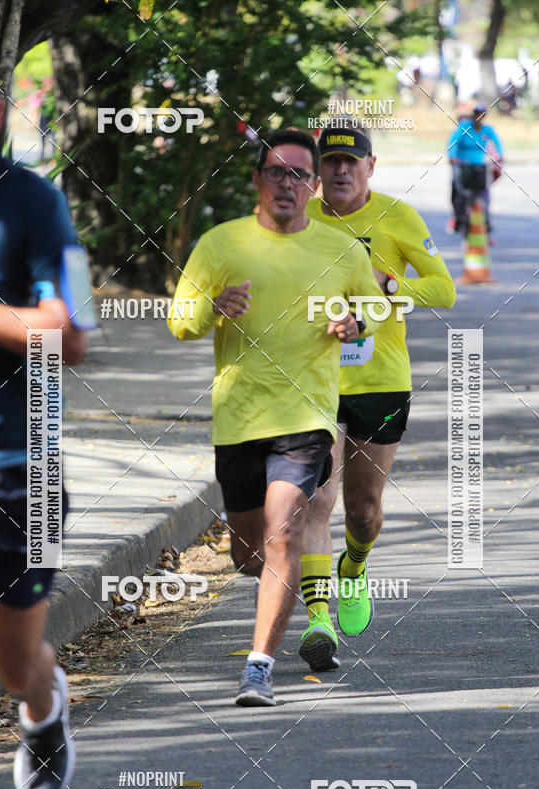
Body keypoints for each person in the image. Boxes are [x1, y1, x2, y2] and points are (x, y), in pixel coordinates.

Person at [168, 129, 386, 705]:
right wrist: (213, 309)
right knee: (252, 553)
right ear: (258, 181)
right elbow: (180, 322)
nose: (286, 183)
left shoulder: (341, 251)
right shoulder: (221, 244)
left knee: (287, 529)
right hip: (239, 418)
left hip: (307, 414)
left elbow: (371, 313)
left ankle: (258, 669)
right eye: (275, 172)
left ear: (313, 186)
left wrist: (353, 326)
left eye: (298, 174)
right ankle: (278, 583)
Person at [0, 42, 86, 789]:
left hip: (21, 467)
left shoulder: (36, 204)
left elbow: (68, 336)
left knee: (12, 660)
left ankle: (43, 709)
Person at [299, 123, 456, 669]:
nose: (340, 171)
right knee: (316, 501)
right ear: (318, 170)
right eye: (331, 162)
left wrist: (392, 288)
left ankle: (355, 565)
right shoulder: (298, 219)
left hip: (381, 380)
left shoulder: (399, 217)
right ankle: (319, 620)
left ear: (371, 166)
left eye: (351, 162)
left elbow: (444, 290)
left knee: (362, 510)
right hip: (313, 380)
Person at [448, 103, 503, 234]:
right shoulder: (464, 127)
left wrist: (500, 156)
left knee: (484, 191)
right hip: (462, 163)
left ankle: (486, 220)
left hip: (479, 164)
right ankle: (459, 217)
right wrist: (452, 156)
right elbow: (453, 142)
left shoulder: (487, 129)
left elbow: (497, 143)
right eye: (476, 114)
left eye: (481, 115)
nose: (478, 117)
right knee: (459, 188)